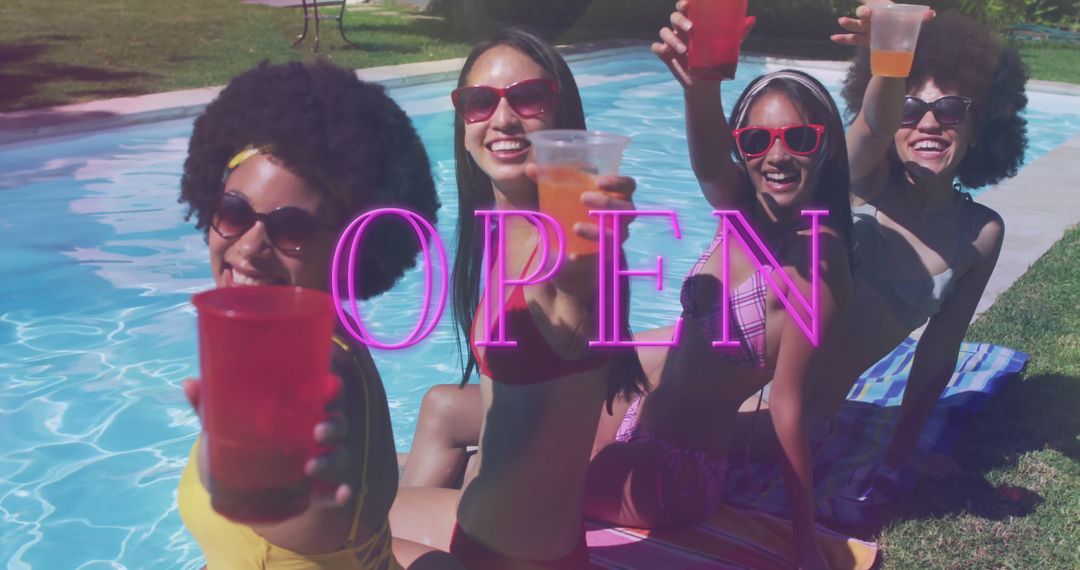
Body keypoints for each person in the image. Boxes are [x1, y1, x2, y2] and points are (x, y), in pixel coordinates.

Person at [174, 60, 461, 569]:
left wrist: (252, 481)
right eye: (234, 212)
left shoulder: (311, 368)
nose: (250, 247)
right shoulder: (329, 335)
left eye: (292, 229)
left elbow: (311, 520)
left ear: (350, 249)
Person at [390, 28, 647, 568]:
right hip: (503, 536)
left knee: (310, 532)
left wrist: (594, 252)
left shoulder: (562, 251)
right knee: (353, 486)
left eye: (527, 98)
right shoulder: (505, 237)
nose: (502, 119)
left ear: (562, 120)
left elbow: (575, 288)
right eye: (480, 102)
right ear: (463, 126)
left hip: (504, 559)